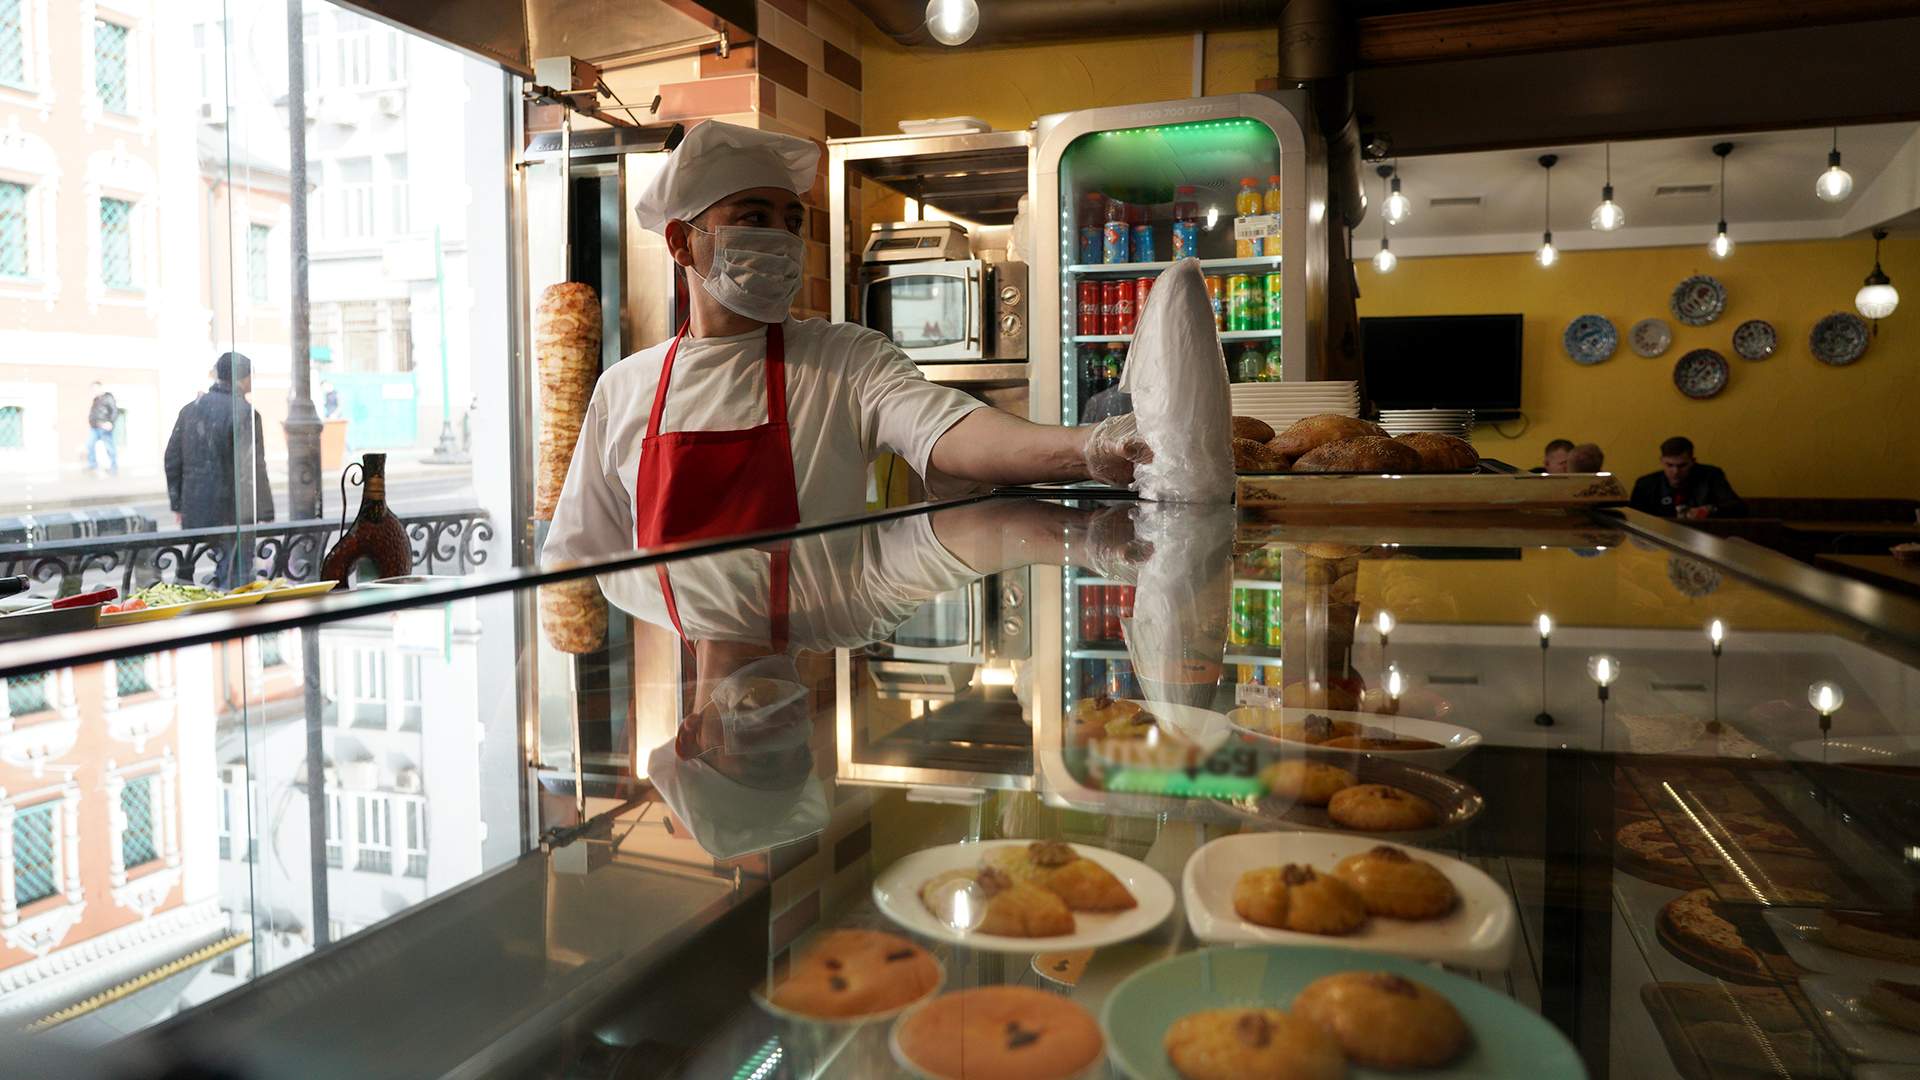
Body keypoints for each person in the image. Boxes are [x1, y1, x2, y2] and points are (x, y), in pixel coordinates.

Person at [542, 121, 1148, 567]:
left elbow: (949, 432)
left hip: (806, 650)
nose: (782, 238)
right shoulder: (625, 388)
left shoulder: (844, 359)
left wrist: (1086, 447)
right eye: (755, 218)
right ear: (681, 242)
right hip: (675, 664)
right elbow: (577, 559)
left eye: (792, 221)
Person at [1631, 436, 1744, 519]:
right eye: (1669, 465)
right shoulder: (1646, 484)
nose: (1675, 472)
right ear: (1661, 461)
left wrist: (1709, 510)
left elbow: (1738, 508)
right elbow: (1634, 518)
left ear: (1692, 462)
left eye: (1682, 465)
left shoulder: (1711, 476)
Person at [85, 382, 118, 476]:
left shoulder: (108, 398)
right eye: (93, 389)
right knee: (89, 444)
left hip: (105, 427)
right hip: (95, 427)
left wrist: (110, 422)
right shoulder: (95, 400)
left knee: (109, 447)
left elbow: (114, 411)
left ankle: (114, 467)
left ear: (100, 388)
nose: (94, 391)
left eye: (96, 388)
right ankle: (92, 466)